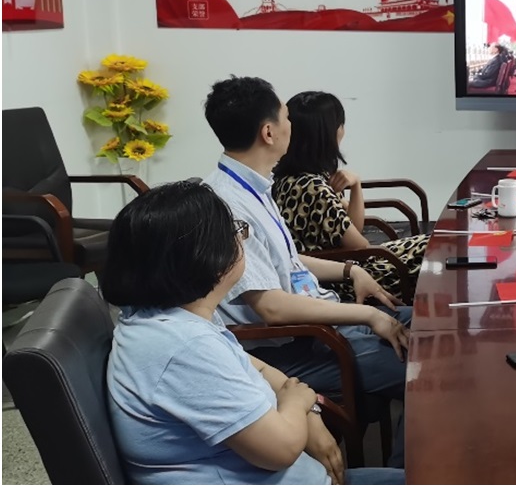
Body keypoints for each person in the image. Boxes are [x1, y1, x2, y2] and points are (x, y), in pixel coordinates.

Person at [100, 181, 405, 485]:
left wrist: (305, 405)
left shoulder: (166, 318)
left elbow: (254, 366)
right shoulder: (184, 347)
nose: (241, 238)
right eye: (236, 231)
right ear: (208, 258)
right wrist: (299, 402)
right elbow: (280, 449)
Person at [203, 77, 409, 468]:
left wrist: (350, 271)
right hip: (291, 346)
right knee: (426, 372)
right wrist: (368, 315)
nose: (291, 125)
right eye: (286, 117)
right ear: (269, 132)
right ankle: (408, 475)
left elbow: (286, 259)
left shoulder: (254, 186)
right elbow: (272, 308)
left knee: (431, 328)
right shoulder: (228, 203)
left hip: (318, 326)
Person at [272, 92, 429, 303]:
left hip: (341, 266)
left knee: (434, 244)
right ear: (329, 134)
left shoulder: (290, 177)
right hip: (345, 279)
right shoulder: (313, 188)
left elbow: (351, 227)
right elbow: (360, 247)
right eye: (340, 125)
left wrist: (356, 186)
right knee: (435, 255)